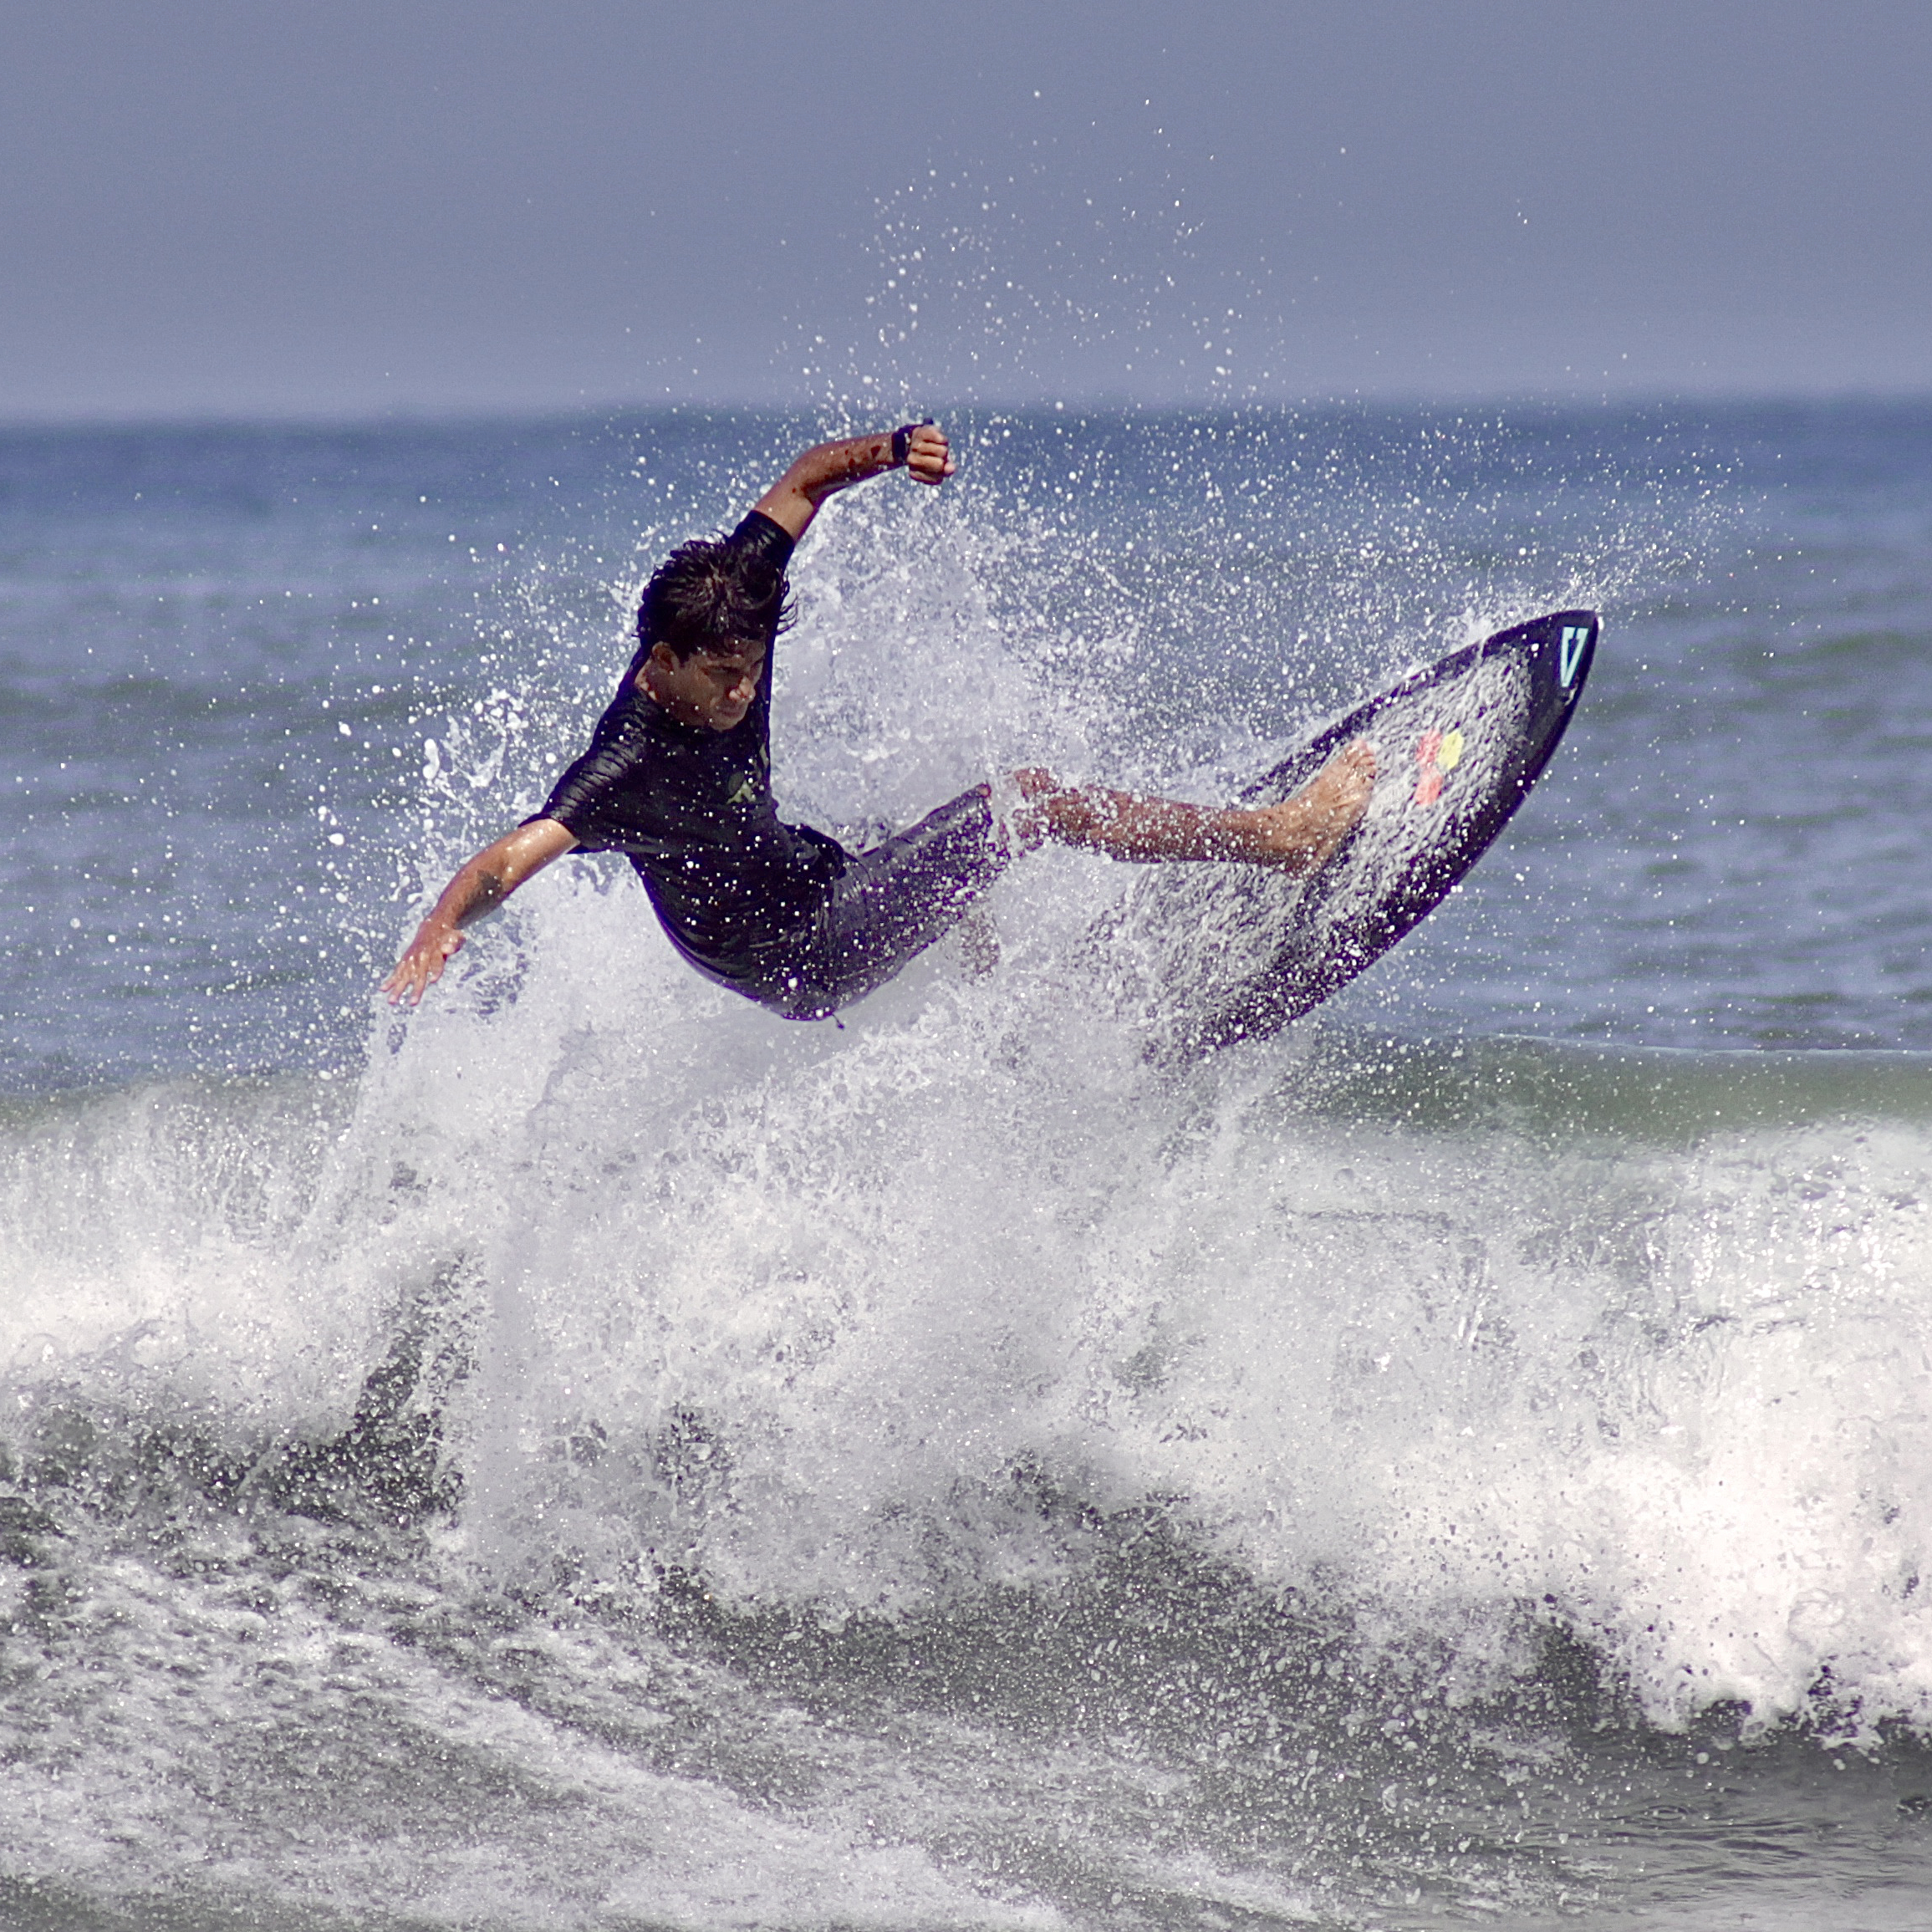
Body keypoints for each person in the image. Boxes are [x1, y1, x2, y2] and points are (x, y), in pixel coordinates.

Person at [384, 422, 1375, 1019]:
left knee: (937, 842)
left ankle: (1032, 1014)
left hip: (815, 873)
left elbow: (805, 478)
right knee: (1016, 807)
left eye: (753, 671)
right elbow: (513, 857)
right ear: (661, 662)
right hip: (795, 955)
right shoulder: (625, 767)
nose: (741, 694)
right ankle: (1283, 840)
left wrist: (894, 452)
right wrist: (441, 922)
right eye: (722, 678)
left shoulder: (735, 595)